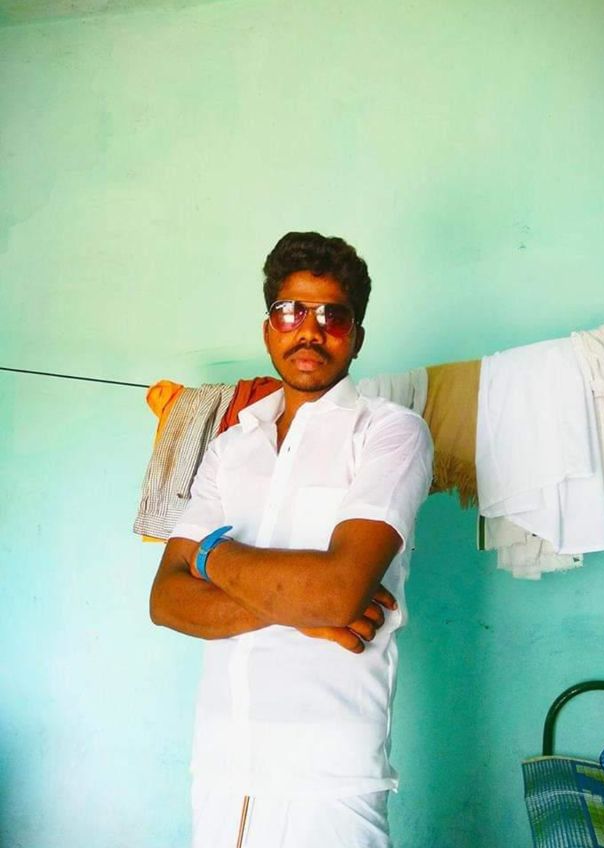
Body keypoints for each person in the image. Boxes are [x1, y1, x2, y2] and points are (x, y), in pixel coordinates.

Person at [150, 231, 432, 848]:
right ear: (268, 328)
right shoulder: (230, 447)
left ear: (356, 336)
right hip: (222, 763)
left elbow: (337, 593)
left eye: (333, 316)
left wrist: (208, 555)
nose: (310, 330)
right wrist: (303, 609)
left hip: (330, 772)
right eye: (291, 312)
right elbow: (166, 600)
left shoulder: (390, 433)